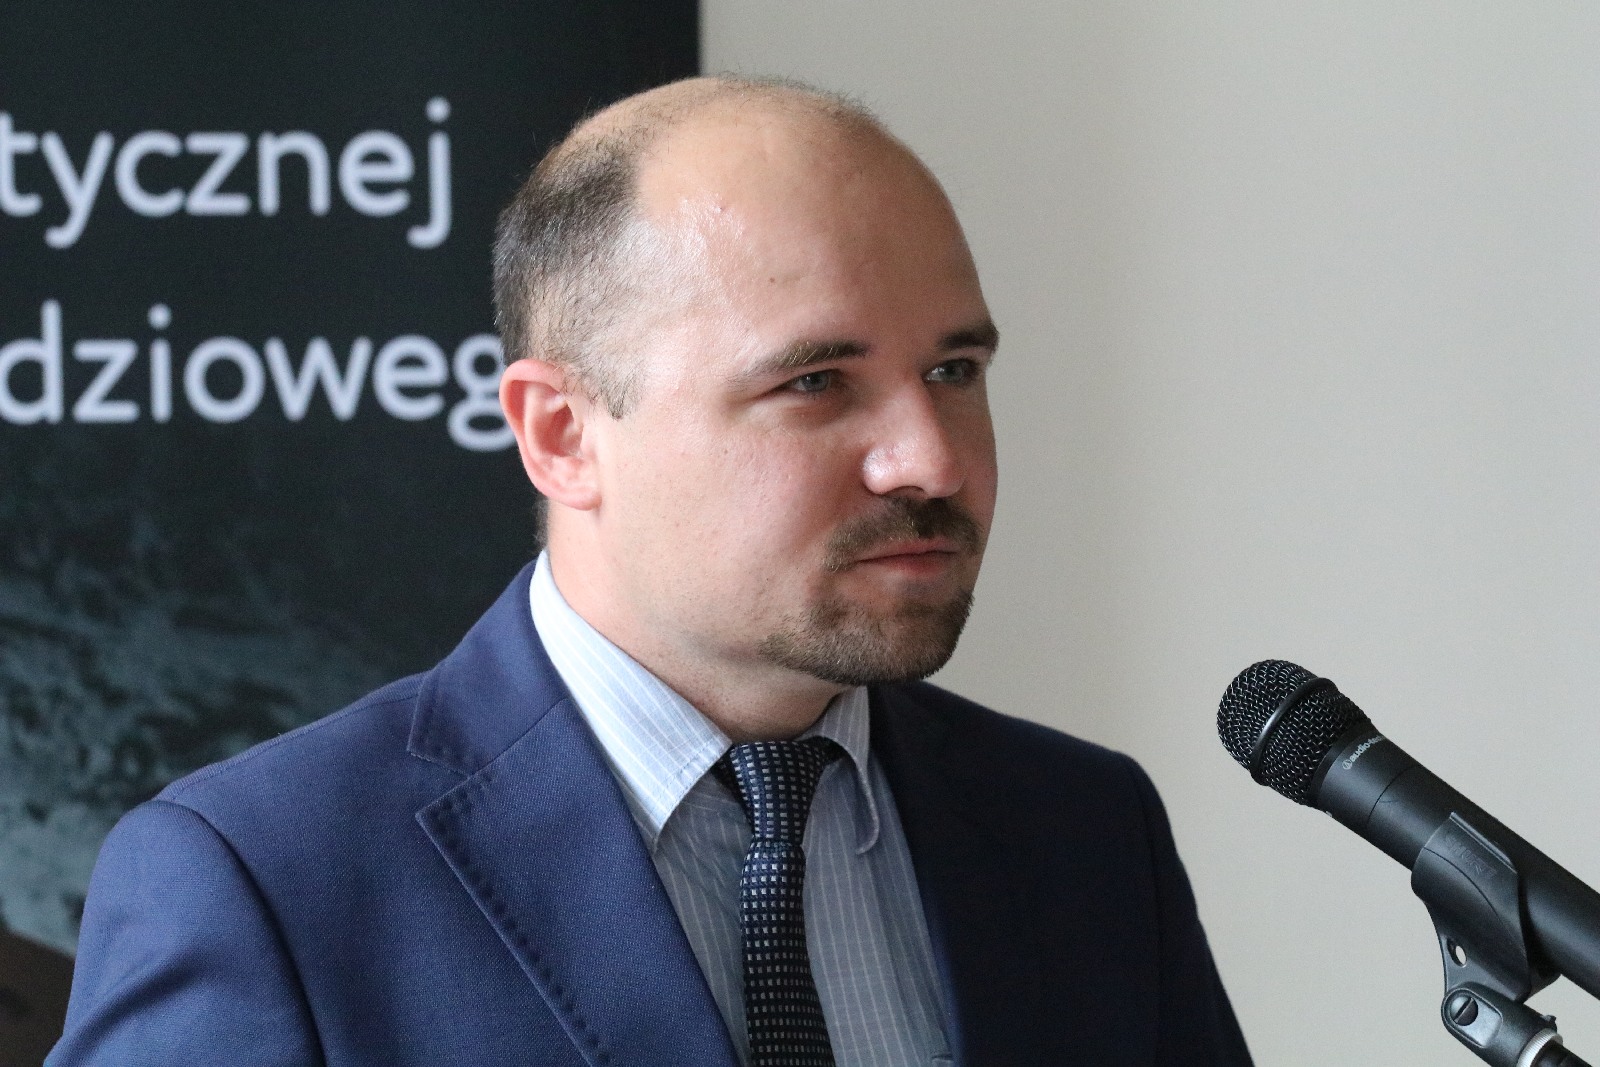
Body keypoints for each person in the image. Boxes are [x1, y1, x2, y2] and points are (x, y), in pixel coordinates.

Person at [48, 77, 1252, 1066]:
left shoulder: (1081, 830)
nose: (930, 458)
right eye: (815, 382)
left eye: (953, 371)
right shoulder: (268, 880)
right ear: (563, 434)